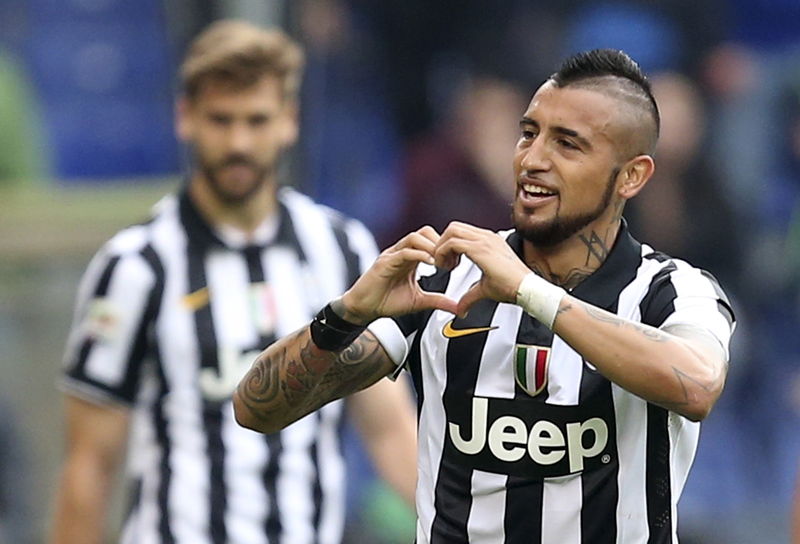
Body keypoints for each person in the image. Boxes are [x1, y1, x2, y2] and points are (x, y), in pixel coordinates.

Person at [234, 49, 736, 543]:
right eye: (528, 133)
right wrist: (347, 313)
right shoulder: (446, 277)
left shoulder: (673, 291)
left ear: (632, 175)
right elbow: (257, 409)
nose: (533, 159)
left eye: (568, 144)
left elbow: (695, 385)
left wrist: (527, 291)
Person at [50, 20, 417, 544]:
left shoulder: (342, 249)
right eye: (220, 120)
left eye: (257, 120)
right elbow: (90, 464)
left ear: (289, 121)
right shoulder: (134, 265)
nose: (239, 142)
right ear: (185, 118)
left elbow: (388, 430)